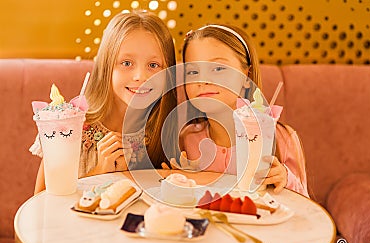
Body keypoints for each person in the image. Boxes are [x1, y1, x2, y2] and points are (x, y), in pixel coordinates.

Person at [31, 10, 178, 194]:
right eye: (126, 63)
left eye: (153, 65)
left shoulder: (169, 131)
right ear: (106, 66)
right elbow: (41, 201)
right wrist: (100, 172)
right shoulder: (68, 127)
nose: (140, 76)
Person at [170, 24, 308, 197]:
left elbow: (306, 208)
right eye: (193, 71)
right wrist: (179, 180)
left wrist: (286, 179)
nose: (203, 80)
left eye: (218, 68)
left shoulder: (282, 139)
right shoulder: (186, 139)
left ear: (246, 76)